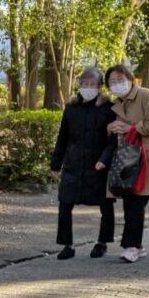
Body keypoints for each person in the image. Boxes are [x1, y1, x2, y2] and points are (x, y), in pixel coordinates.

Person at [105, 62, 149, 263]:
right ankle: (137, 245)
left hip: (148, 157)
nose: (117, 84)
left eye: (120, 79)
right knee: (131, 200)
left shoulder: (146, 95)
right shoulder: (116, 103)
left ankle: (131, 246)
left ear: (130, 79)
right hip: (129, 158)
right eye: (112, 81)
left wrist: (129, 128)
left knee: (136, 202)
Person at [50, 66, 116, 259]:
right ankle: (67, 245)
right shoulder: (71, 108)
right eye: (84, 84)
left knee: (105, 204)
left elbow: (113, 141)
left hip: (98, 165)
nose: (88, 87)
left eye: (92, 84)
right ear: (79, 85)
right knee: (65, 204)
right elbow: (63, 137)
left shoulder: (108, 108)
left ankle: (102, 242)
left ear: (100, 86)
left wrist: (104, 159)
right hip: (73, 163)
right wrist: (56, 162)